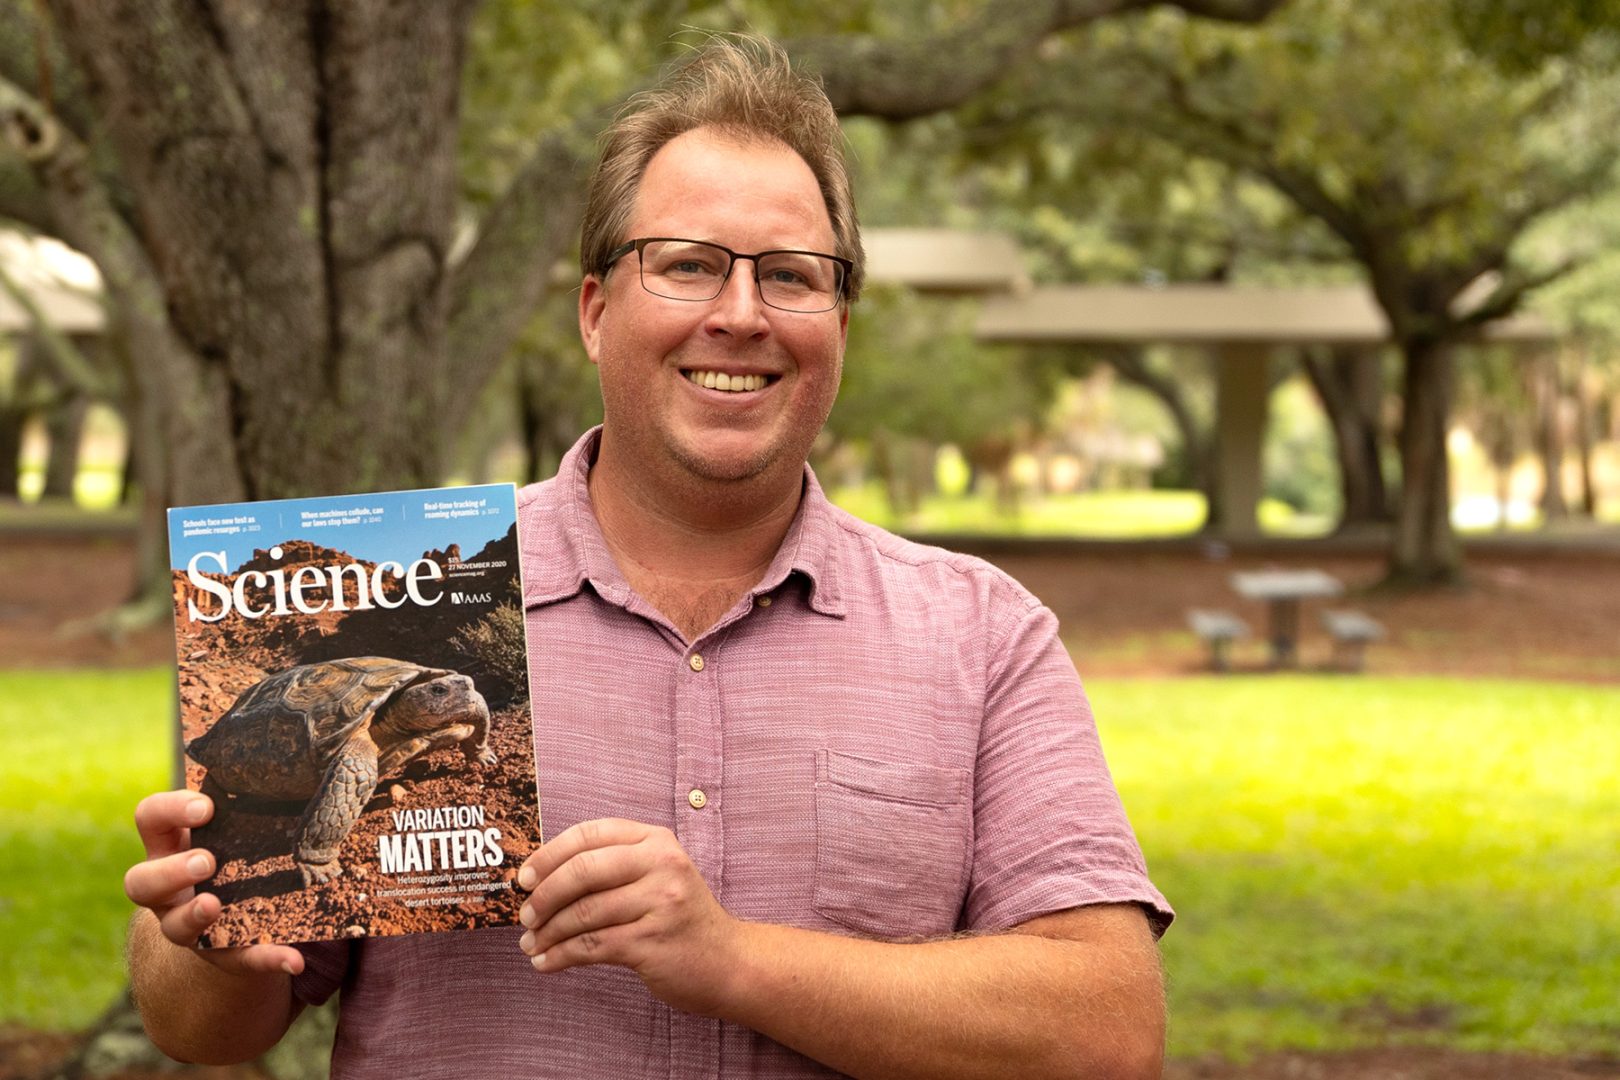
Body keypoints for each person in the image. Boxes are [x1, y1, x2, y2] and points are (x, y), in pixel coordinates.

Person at [123, 34, 1173, 1080]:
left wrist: (730, 960)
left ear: (839, 326)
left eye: (792, 277)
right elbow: (201, 1029)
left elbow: (1105, 1031)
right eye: (687, 266)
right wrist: (197, 943)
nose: (740, 315)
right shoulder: (404, 596)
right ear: (595, 311)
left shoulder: (981, 635)